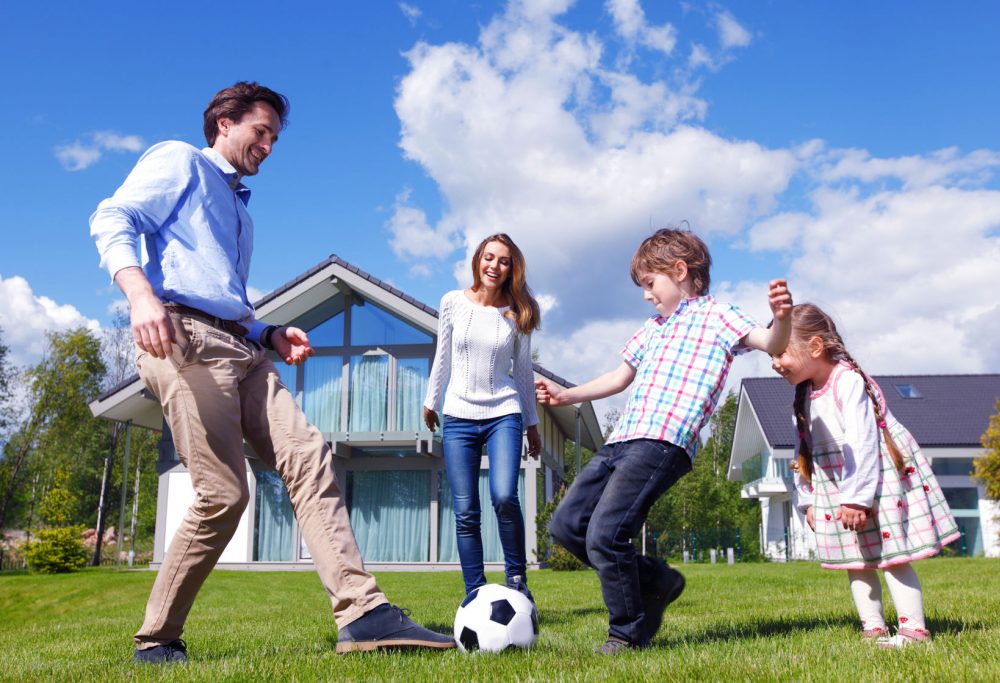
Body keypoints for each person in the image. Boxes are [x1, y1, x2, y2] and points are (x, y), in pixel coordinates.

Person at [90, 81, 454, 663]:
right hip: (184, 340)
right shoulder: (180, 160)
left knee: (309, 456)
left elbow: (223, 294)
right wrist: (139, 296)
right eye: (261, 132)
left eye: (275, 138)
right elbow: (113, 215)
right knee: (225, 494)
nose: (268, 146)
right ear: (224, 124)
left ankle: (362, 614)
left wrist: (266, 332)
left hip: (242, 347)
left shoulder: (239, 210)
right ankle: (157, 638)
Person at [535, 227, 793, 653]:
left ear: (680, 271)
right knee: (567, 526)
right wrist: (568, 395)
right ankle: (655, 579)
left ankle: (627, 633)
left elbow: (770, 343)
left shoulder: (718, 316)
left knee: (606, 534)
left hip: (664, 442)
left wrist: (781, 319)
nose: (645, 295)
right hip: (622, 440)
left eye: (650, 284)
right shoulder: (651, 329)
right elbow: (619, 378)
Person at [771, 303, 960, 648]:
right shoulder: (803, 396)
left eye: (781, 352)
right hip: (836, 484)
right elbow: (803, 454)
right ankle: (873, 629)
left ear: (815, 346)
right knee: (855, 561)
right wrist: (809, 500)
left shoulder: (847, 381)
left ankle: (913, 631)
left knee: (891, 557)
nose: (775, 362)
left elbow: (862, 440)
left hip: (873, 479)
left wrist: (857, 498)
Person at [423, 233, 542, 600]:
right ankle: (474, 592)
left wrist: (533, 424)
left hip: (503, 412)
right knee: (465, 510)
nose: (494, 265)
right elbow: (443, 356)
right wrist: (431, 400)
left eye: (503, 260)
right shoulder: (452, 302)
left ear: (511, 269)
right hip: (458, 415)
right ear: (478, 260)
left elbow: (522, 372)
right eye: (488, 257)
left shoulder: (518, 313)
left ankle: (517, 580)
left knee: (505, 495)